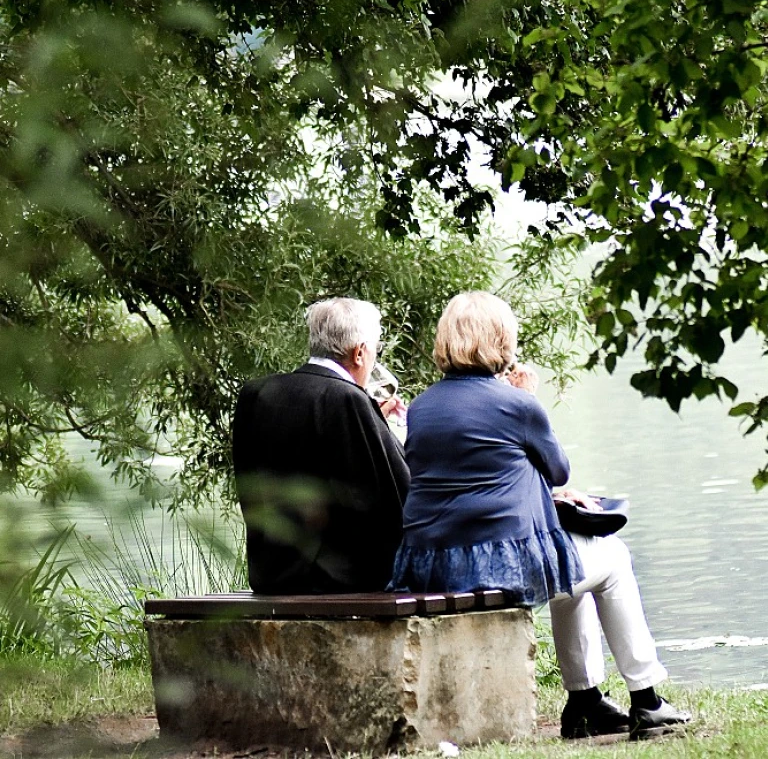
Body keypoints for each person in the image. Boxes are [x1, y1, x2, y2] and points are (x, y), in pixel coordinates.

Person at [388, 291, 691, 740]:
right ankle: (646, 699)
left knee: (576, 571)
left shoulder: (423, 407)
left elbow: (478, 470)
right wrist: (527, 398)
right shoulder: (516, 404)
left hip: (431, 563)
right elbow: (558, 468)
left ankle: (585, 701)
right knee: (613, 558)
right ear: (501, 340)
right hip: (495, 566)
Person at [232, 297, 409, 594]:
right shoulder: (348, 400)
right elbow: (395, 492)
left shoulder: (256, 394)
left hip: (270, 574)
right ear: (360, 353)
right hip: (338, 580)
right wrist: (393, 434)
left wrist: (375, 420)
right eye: (375, 350)